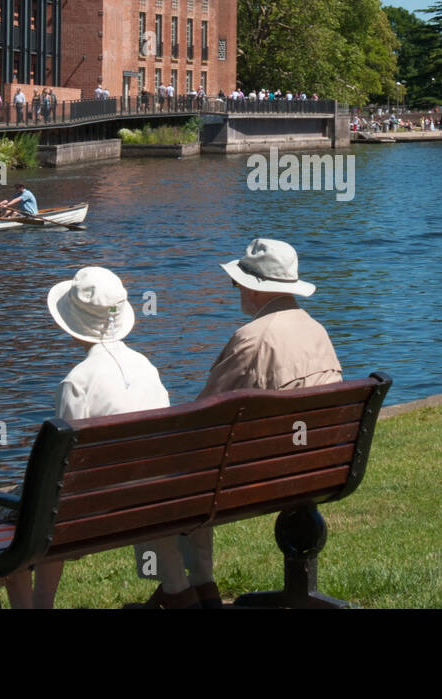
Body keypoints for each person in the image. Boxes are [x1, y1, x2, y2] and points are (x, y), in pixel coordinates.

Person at [151, 239, 342, 608]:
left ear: (256, 287)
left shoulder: (251, 339)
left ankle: (181, 588)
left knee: (172, 473)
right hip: (323, 468)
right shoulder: (317, 331)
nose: (236, 288)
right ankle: (196, 585)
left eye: (237, 282)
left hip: (264, 478)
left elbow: (201, 419)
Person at [0, 267, 173, 609]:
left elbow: (60, 468)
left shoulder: (77, 381)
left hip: (88, 512)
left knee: (9, 516)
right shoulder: (147, 368)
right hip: (149, 499)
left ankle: (34, 606)